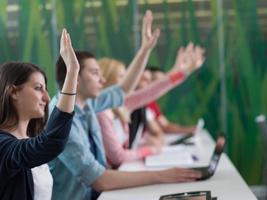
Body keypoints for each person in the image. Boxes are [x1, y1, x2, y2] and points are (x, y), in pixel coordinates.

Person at [48, 10, 201, 200]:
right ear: (75, 76)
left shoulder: (88, 104)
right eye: (95, 73)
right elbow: (99, 179)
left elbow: (124, 89)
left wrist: (145, 49)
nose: (102, 79)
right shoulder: (61, 120)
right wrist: (160, 176)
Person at [0, 29, 79, 200]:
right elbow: (50, 144)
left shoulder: (31, 138)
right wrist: (72, 71)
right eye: (38, 88)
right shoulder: (3, 145)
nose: (47, 98)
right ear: (13, 92)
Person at [97, 43, 204, 167]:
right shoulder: (102, 112)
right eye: (122, 77)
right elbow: (118, 157)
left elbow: (153, 90)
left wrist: (182, 72)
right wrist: (150, 150)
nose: (129, 81)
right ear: (107, 80)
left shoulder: (121, 105)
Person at [147, 66, 196, 135]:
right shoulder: (142, 104)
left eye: (161, 83)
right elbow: (162, 129)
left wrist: (189, 130)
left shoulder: (152, 104)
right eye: (156, 82)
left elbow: (166, 125)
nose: (160, 86)